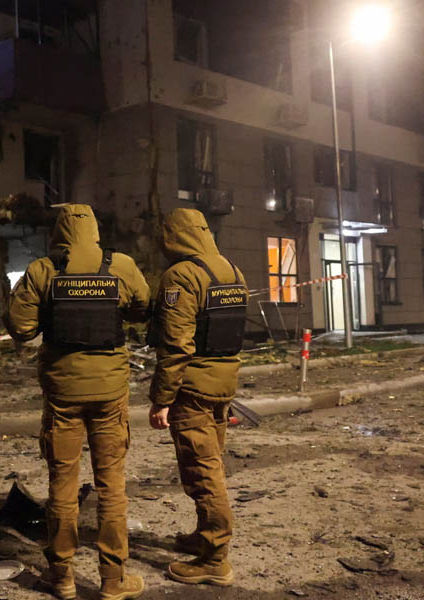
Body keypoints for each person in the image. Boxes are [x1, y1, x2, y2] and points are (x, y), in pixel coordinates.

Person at [6, 204, 150, 600]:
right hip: (109, 392)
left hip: (63, 393)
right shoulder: (119, 265)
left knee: (62, 487)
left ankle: (62, 577)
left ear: (60, 232)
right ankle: (112, 581)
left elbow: (20, 327)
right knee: (112, 487)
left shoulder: (42, 270)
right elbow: (142, 307)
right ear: (95, 231)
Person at [147, 208, 248, 586]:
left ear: (174, 236)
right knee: (212, 463)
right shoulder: (231, 271)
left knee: (201, 471)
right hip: (223, 382)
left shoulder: (181, 276)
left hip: (193, 388)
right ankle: (203, 536)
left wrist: (162, 399)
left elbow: (176, 346)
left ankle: (215, 559)